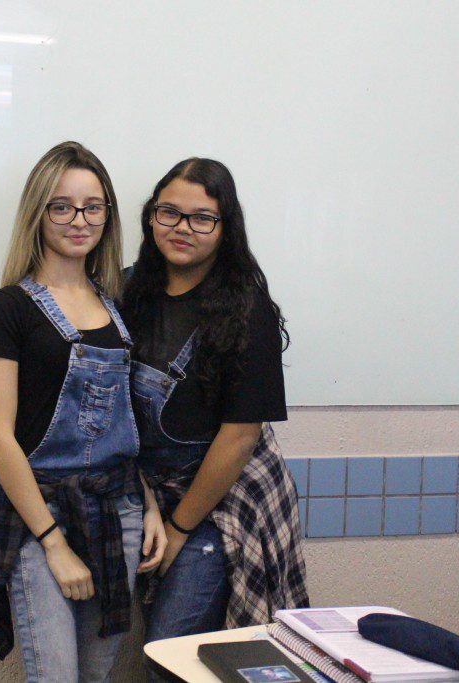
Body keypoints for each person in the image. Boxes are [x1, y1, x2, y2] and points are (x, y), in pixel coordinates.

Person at [0, 141, 166, 682]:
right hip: (43, 516)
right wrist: (53, 543)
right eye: (62, 207)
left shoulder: (117, 304)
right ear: (38, 212)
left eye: (92, 207)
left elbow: (128, 421)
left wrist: (149, 506)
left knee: (96, 676)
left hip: (120, 513)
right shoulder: (10, 308)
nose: (79, 220)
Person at [121, 157, 309, 652]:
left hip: (224, 501)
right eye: (169, 213)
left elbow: (241, 436)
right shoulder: (126, 291)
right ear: (151, 217)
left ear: (226, 228)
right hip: (150, 497)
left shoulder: (247, 308)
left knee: (170, 651)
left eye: (202, 218)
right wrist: (148, 504)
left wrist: (179, 528)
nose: (182, 228)